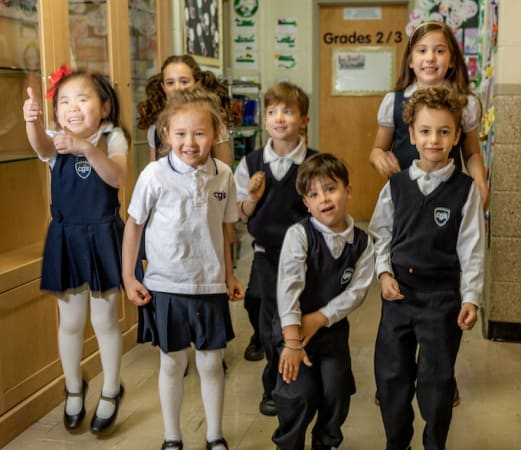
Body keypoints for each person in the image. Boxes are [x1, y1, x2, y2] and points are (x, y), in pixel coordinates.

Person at [122, 87, 244, 450]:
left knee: (211, 364)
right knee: (172, 364)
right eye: (180, 133)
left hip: (209, 287)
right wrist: (129, 276)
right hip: (166, 286)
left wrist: (229, 275)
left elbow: (224, 231)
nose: (190, 142)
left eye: (199, 133)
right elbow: (134, 225)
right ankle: (172, 437)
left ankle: (214, 436)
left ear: (215, 133)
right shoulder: (154, 175)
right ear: (166, 134)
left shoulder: (224, 175)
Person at [369, 86, 485, 450]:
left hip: (443, 301)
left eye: (444, 131)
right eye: (425, 131)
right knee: (390, 377)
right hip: (399, 295)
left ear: (455, 138)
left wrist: (471, 298)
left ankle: (435, 442)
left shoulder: (465, 191)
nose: (434, 139)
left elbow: (472, 249)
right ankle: (396, 442)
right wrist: (384, 274)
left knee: (436, 383)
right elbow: (380, 234)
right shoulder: (396, 186)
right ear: (412, 135)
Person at [22, 66, 128, 433]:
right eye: (64, 101)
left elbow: (115, 177)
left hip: (103, 236)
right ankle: (73, 388)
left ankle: (112, 390)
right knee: (70, 322)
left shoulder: (114, 137)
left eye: (82, 99)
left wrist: (85, 146)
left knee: (104, 320)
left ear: (104, 106)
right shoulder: (55, 139)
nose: (72, 108)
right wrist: (32, 121)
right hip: (66, 238)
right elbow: (40, 145)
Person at [272, 153, 374, 450]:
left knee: (336, 391)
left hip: (331, 331)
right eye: (313, 194)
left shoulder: (363, 243)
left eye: (331, 188)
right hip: (293, 330)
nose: (323, 199)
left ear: (348, 190)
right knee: (297, 395)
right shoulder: (299, 235)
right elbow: (288, 287)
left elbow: (356, 292)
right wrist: (292, 341)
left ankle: (325, 443)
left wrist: (320, 318)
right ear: (306, 203)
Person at [234, 81, 316, 416]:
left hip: (302, 258)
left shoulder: (313, 163)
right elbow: (241, 213)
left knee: (286, 321)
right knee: (261, 313)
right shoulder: (252, 162)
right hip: (266, 255)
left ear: (304, 120)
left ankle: (280, 386)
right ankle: (271, 367)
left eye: (287, 111)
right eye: (271, 112)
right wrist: (252, 197)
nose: (279, 118)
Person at [369, 20, 489, 211]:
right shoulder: (394, 102)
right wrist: (378, 158)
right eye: (422, 50)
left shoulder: (465, 103)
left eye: (440, 51)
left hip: (449, 195)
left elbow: (472, 153)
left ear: (451, 61)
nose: (430, 58)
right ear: (410, 60)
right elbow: (377, 149)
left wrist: (480, 181)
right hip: (405, 197)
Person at [136, 54, 233, 166]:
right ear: (163, 87)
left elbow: (224, 173)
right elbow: (154, 170)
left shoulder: (212, 124)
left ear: (198, 84)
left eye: (184, 81)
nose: (177, 88)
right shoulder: (154, 129)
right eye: (170, 83)